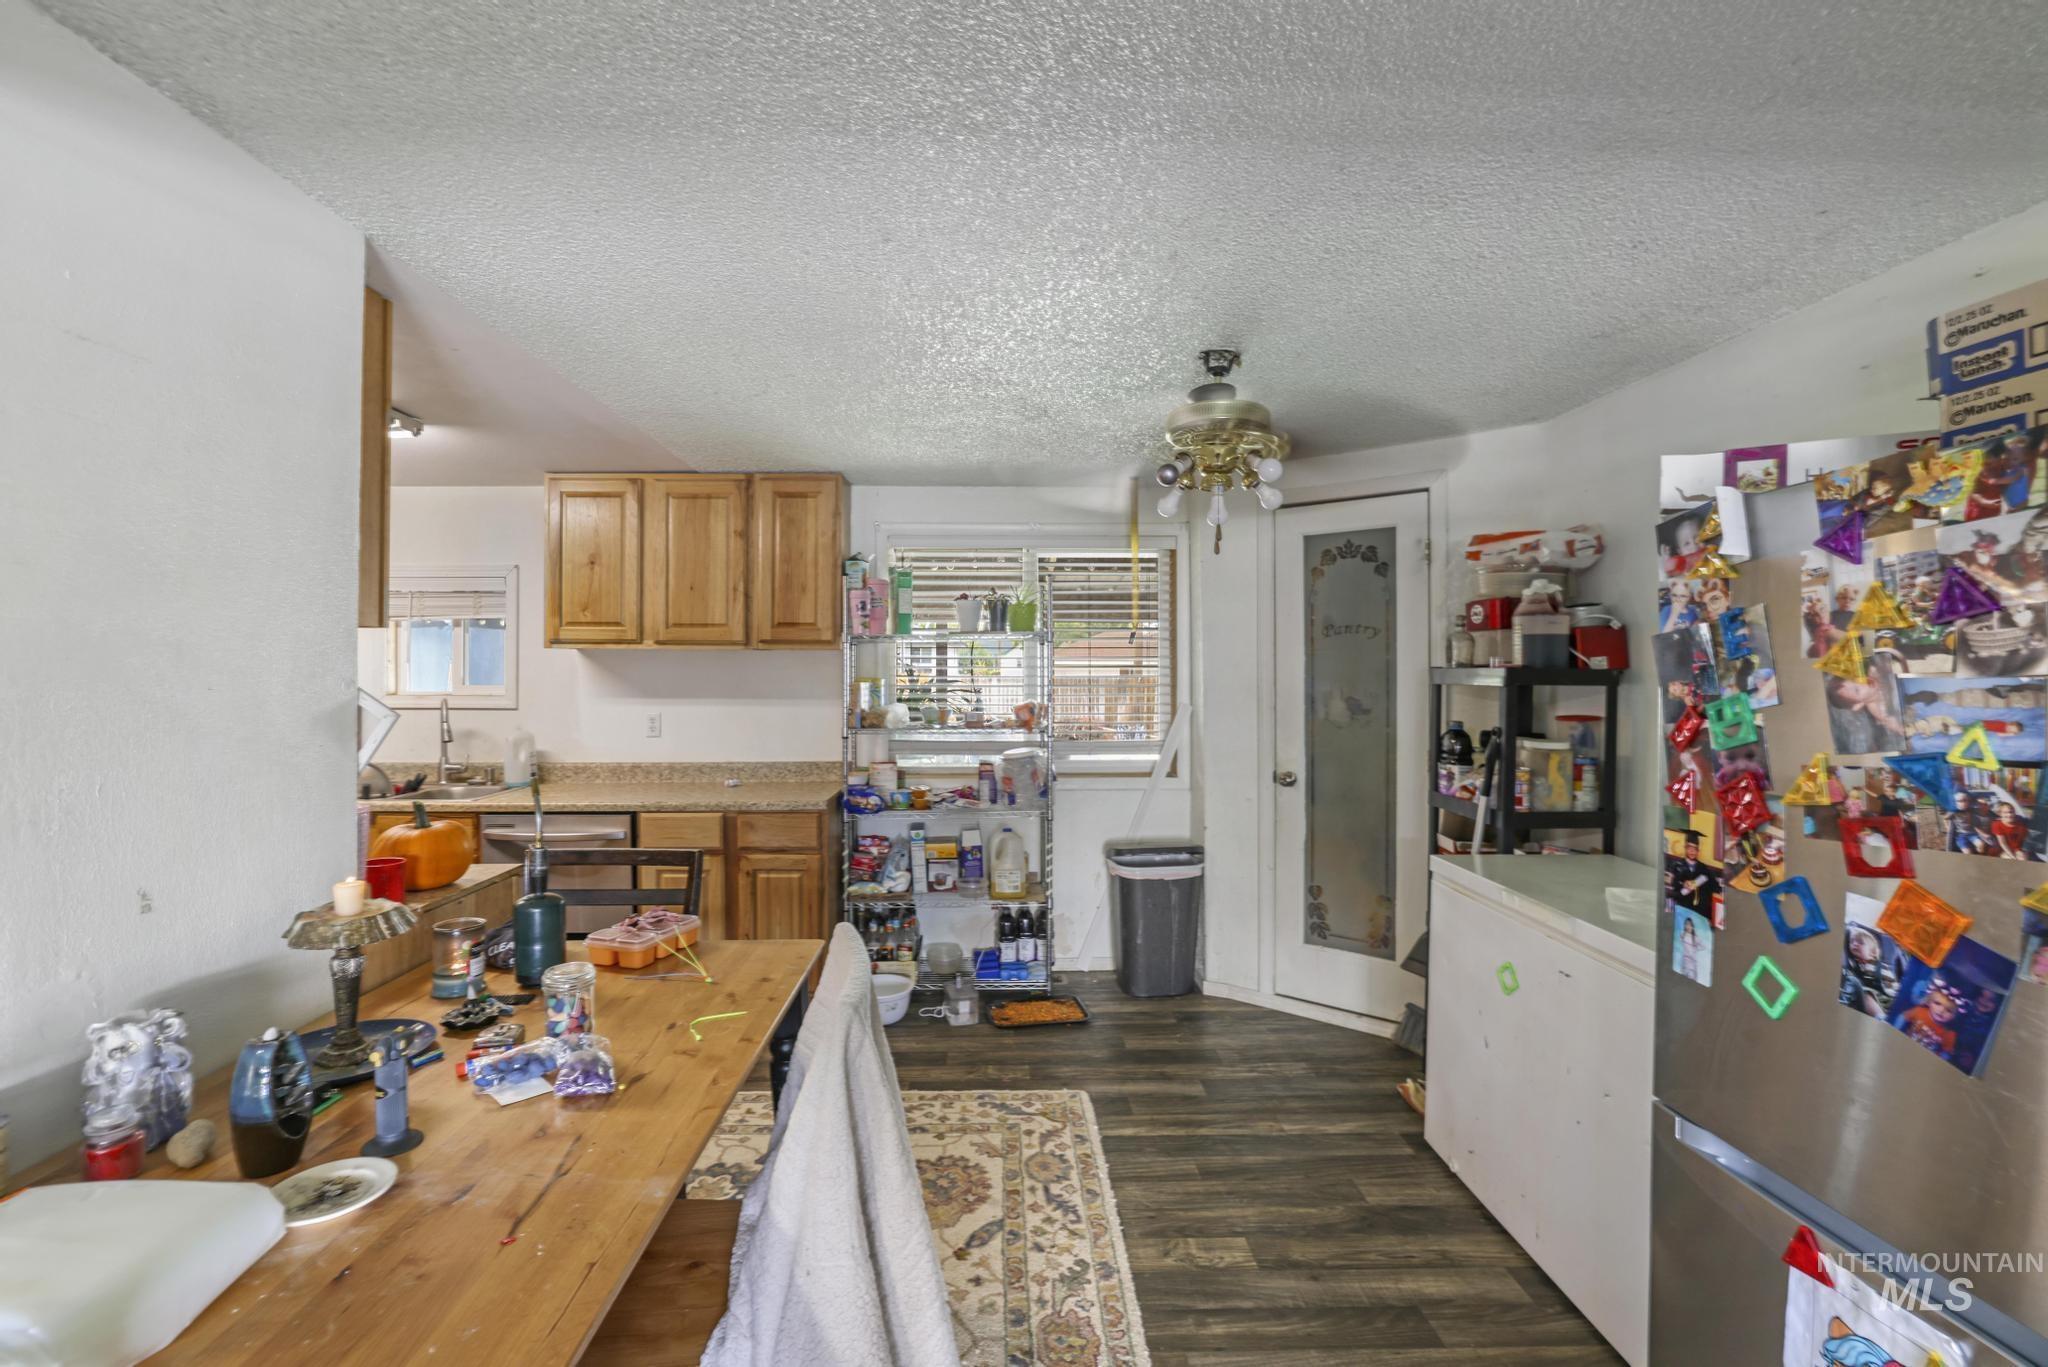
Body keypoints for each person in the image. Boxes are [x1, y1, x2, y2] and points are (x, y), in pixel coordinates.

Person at [1839, 926, 1896, 1017]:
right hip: (1879, 997)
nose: (1855, 944)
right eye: (1852, 941)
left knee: (1866, 994)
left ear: (1872, 953)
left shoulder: (1875, 965)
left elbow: (1891, 986)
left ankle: (1880, 1017)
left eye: (1861, 942)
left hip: (1887, 998)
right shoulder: (1858, 964)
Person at [1668, 832, 1720, 917]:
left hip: (1700, 910)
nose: (1692, 851)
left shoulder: (1704, 868)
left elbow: (1714, 886)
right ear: (1685, 848)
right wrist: (1683, 884)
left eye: (1695, 849)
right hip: (1684, 906)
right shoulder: (1677, 865)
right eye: (1689, 848)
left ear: (1698, 851)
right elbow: (1673, 884)